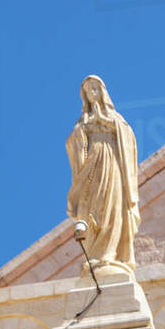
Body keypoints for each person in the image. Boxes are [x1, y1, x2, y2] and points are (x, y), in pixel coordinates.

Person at [66, 75, 140, 270]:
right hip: (92, 165)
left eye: (94, 89)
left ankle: (111, 253)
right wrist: (83, 129)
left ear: (102, 92)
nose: (92, 93)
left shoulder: (116, 119)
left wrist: (106, 122)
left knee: (113, 205)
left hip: (112, 164)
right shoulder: (83, 120)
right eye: (88, 91)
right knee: (93, 207)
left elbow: (128, 137)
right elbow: (73, 141)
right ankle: (95, 253)